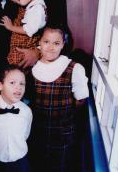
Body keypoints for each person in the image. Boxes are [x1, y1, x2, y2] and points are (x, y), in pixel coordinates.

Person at [28, 24, 89, 172]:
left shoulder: (74, 68)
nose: (50, 47)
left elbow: (80, 100)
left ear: (63, 44)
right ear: (39, 43)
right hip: (36, 132)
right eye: (46, 42)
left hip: (62, 134)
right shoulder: (32, 68)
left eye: (56, 43)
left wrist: (64, 117)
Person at [0, 65, 32, 172]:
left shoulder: (26, 111)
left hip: (20, 161)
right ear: (0, 86)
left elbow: (25, 134)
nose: (18, 87)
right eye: (12, 83)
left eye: (22, 83)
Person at [0, 0, 47, 70]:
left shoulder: (37, 9)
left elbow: (28, 30)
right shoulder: (33, 4)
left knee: (17, 67)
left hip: (26, 45)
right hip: (17, 47)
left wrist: (11, 27)